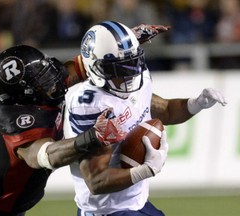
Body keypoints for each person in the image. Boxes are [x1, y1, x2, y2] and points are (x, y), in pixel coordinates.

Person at [66, 21, 227, 216]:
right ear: (95, 67)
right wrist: (146, 170)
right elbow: (96, 181)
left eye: (131, 63)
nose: (129, 74)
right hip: (106, 210)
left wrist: (197, 103)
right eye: (119, 69)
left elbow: (165, 110)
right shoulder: (90, 104)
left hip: (136, 203)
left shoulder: (138, 78)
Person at [0, 45, 126, 216]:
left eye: (47, 73)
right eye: (42, 80)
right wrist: (93, 136)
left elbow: (84, 67)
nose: (53, 80)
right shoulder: (19, 124)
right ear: (26, 93)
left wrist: (121, 45)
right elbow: (47, 155)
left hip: (2, 196)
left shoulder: (37, 91)